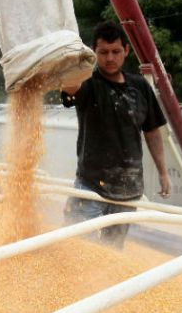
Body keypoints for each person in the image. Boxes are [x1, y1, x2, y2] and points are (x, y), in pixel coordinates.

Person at [60, 21, 171, 249]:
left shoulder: (140, 87)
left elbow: (152, 132)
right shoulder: (88, 84)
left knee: (111, 251)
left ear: (126, 51)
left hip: (128, 191)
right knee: (77, 248)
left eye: (116, 52)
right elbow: (69, 88)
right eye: (103, 52)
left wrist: (163, 171)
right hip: (91, 186)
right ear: (94, 53)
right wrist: (73, 61)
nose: (110, 58)